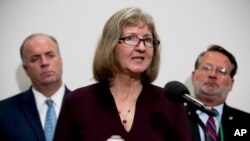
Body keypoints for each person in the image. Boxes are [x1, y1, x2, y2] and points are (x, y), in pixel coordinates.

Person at [54, 7, 191, 141]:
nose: (142, 47)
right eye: (131, 38)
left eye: (148, 40)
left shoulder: (170, 103)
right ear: (111, 45)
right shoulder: (78, 102)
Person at [0, 33, 71, 141]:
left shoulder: (86, 106)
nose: (44, 63)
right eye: (35, 58)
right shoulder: (4, 112)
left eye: (50, 55)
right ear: (26, 69)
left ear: (60, 61)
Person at [186, 45, 250, 141]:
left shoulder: (246, 123)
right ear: (193, 76)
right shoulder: (174, 118)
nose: (212, 75)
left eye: (222, 71)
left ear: (231, 84)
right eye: (207, 68)